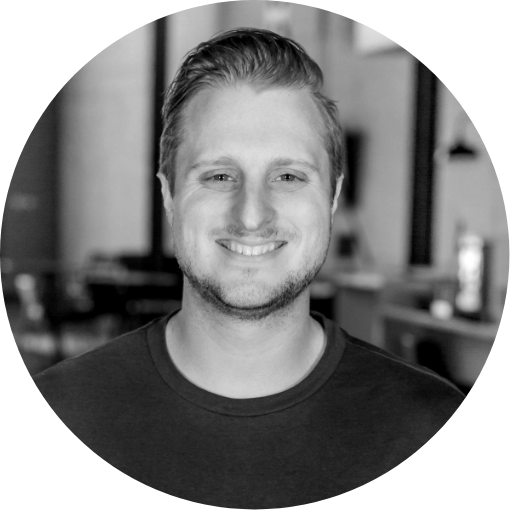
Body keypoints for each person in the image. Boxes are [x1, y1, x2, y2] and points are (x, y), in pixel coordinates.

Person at [33, 28, 464, 506]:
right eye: (219, 176)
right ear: (169, 196)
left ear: (332, 197)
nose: (252, 216)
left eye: (288, 176)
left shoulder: (430, 424)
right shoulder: (63, 410)